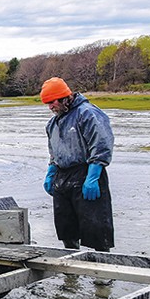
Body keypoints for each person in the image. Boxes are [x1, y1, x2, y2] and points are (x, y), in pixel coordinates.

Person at [41, 77, 115, 252]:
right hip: (62, 176)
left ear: (65, 97)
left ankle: (103, 273)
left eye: (52, 102)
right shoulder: (52, 123)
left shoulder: (88, 113)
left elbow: (102, 144)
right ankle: (72, 273)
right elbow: (53, 150)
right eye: (48, 103)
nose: (50, 107)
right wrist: (51, 171)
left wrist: (94, 175)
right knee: (66, 227)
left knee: (96, 227)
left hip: (86, 172)